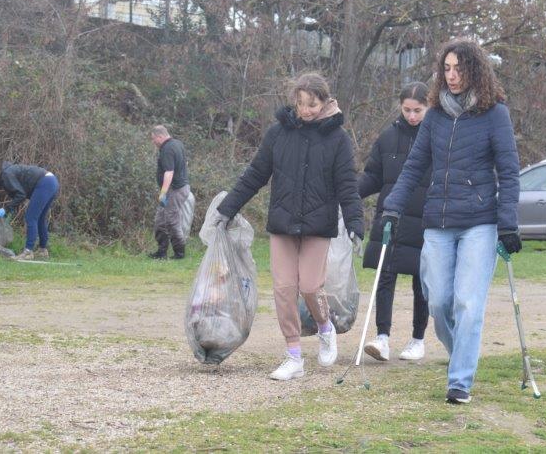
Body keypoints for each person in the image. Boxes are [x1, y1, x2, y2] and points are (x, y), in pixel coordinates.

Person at [381, 38, 522, 404]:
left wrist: (508, 223)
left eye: (459, 68)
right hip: (438, 221)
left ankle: (459, 380)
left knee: (468, 303)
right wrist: (393, 205)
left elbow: (508, 172)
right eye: (446, 68)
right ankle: (460, 352)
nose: (452, 75)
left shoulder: (495, 114)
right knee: (439, 301)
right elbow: (414, 165)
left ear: (475, 70)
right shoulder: (436, 115)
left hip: (480, 222)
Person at [213, 72, 364, 381]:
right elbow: (255, 174)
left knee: (310, 287)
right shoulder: (278, 133)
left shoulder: (338, 139)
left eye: (312, 104)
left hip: (318, 225)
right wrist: (227, 209)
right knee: (284, 289)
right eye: (300, 103)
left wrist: (355, 223)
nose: (305, 110)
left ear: (324, 103)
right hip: (283, 223)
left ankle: (325, 327)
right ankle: (293, 355)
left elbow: (347, 185)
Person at [358, 82, 431, 362]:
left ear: (428, 107)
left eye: (418, 110)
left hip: (424, 219)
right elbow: (373, 176)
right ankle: (382, 337)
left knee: (420, 281)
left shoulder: (436, 136)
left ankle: (418, 339)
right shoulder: (388, 137)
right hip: (391, 217)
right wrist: (348, 194)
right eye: (407, 110)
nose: (412, 116)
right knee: (384, 276)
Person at [0, 161, 60, 261]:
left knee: (31, 217)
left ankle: (28, 252)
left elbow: (21, 195)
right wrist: (9, 209)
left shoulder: (6, 175)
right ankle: (43, 250)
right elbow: (19, 194)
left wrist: (6, 209)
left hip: (45, 182)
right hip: (51, 181)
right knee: (40, 218)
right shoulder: (7, 173)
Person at [149, 125, 191, 260]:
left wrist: (163, 192)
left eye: (153, 139)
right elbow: (185, 163)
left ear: (160, 136)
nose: (153, 142)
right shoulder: (177, 144)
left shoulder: (167, 149)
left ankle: (179, 254)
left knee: (171, 221)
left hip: (175, 190)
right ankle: (161, 252)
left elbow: (169, 172)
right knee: (160, 220)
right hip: (177, 189)